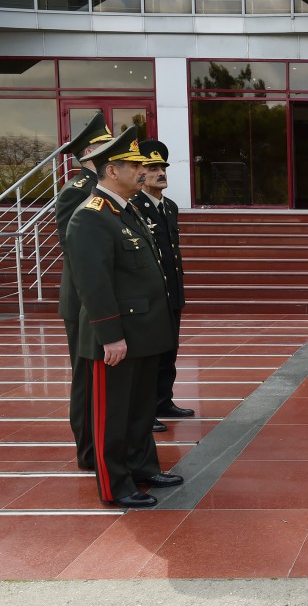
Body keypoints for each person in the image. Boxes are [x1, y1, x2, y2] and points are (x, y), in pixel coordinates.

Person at [64, 125, 182, 508]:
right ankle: (116, 484)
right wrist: (109, 335)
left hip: (144, 332)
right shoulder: (92, 215)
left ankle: (142, 466)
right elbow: (92, 284)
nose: (142, 171)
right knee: (112, 415)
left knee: (140, 410)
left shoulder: (125, 210)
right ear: (112, 170)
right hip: (117, 339)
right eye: (133, 165)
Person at [55, 111, 112, 471]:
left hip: (96, 299)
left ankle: (104, 445)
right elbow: (77, 251)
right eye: (109, 145)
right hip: (81, 301)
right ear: (92, 150)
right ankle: (88, 451)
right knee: (85, 377)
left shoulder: (104, 189)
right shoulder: (77, 192)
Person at [132, 140, 194, 432]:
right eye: (153, 168)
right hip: (150, 297)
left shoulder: (168, 207)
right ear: (140, 174)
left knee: (169, 352)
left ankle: (163, 401)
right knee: (150, 356)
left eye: (163, 168)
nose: (161, 173)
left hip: (170, 294)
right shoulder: (134, 207)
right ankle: (146, 411)